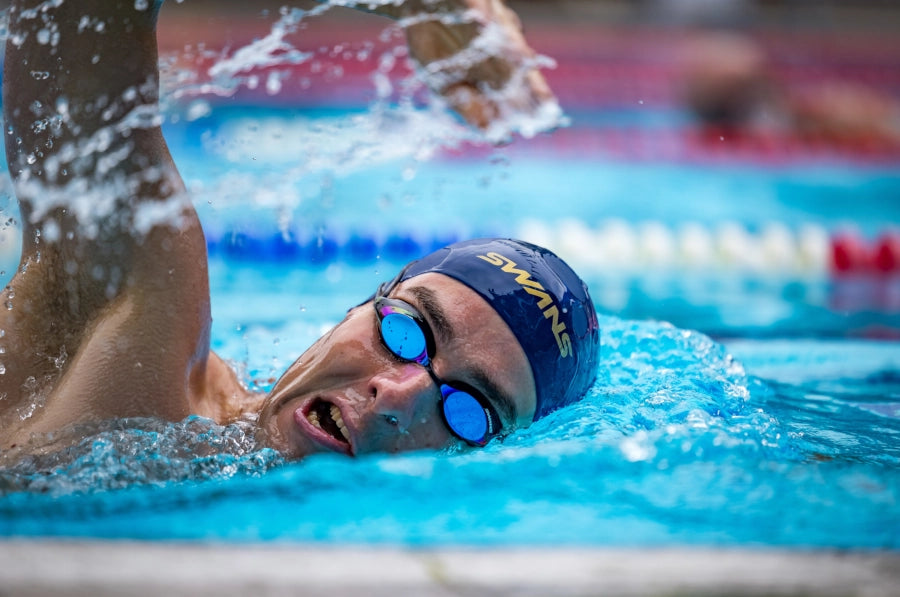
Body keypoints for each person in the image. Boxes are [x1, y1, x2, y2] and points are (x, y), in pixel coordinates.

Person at [0, 0, 599, 459]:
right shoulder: (141, 351)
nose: (396, 397)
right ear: (356, 310)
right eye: (406, 332)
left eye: (469, 410)